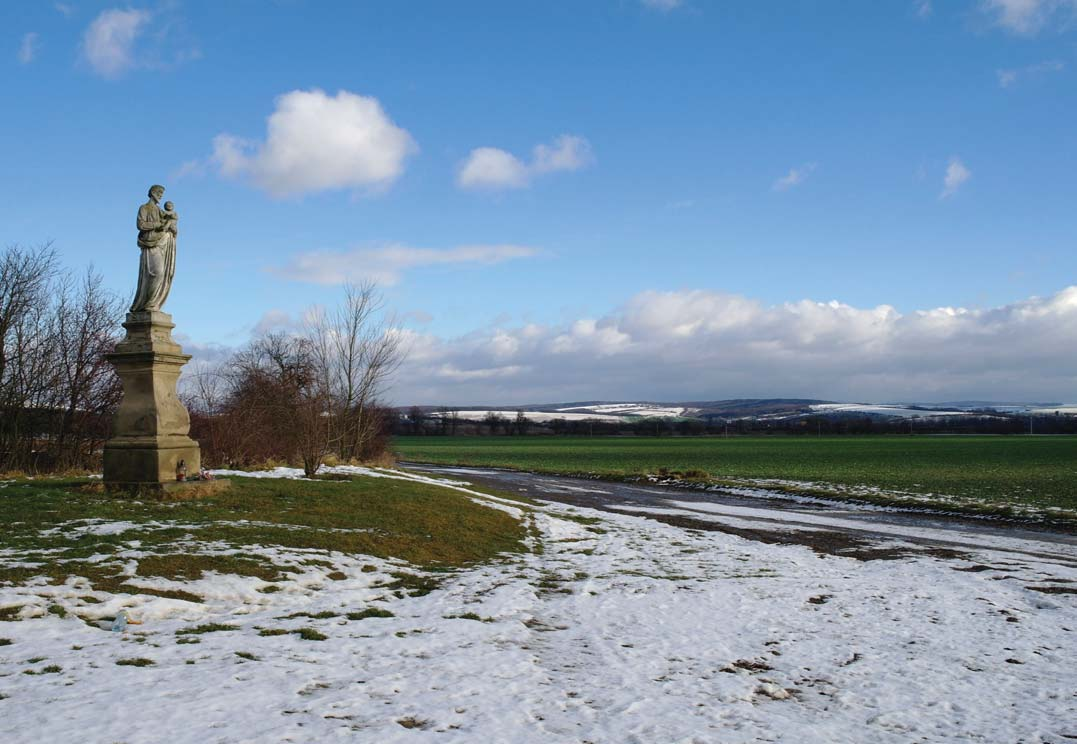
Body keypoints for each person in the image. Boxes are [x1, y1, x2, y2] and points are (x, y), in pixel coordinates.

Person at [130, 185, 178, 312]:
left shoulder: (160, 211)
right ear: (152, 192)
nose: (161, 195)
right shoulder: (144, 208)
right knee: (157, 272)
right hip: (150, 243)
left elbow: (171, 223)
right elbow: (140, 224)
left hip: (162, 243)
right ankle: (148, 303)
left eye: (162, 193)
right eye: (159, 192)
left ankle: (153, 303)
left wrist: (172, 227)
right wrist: (157, 224)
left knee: (163, 275)